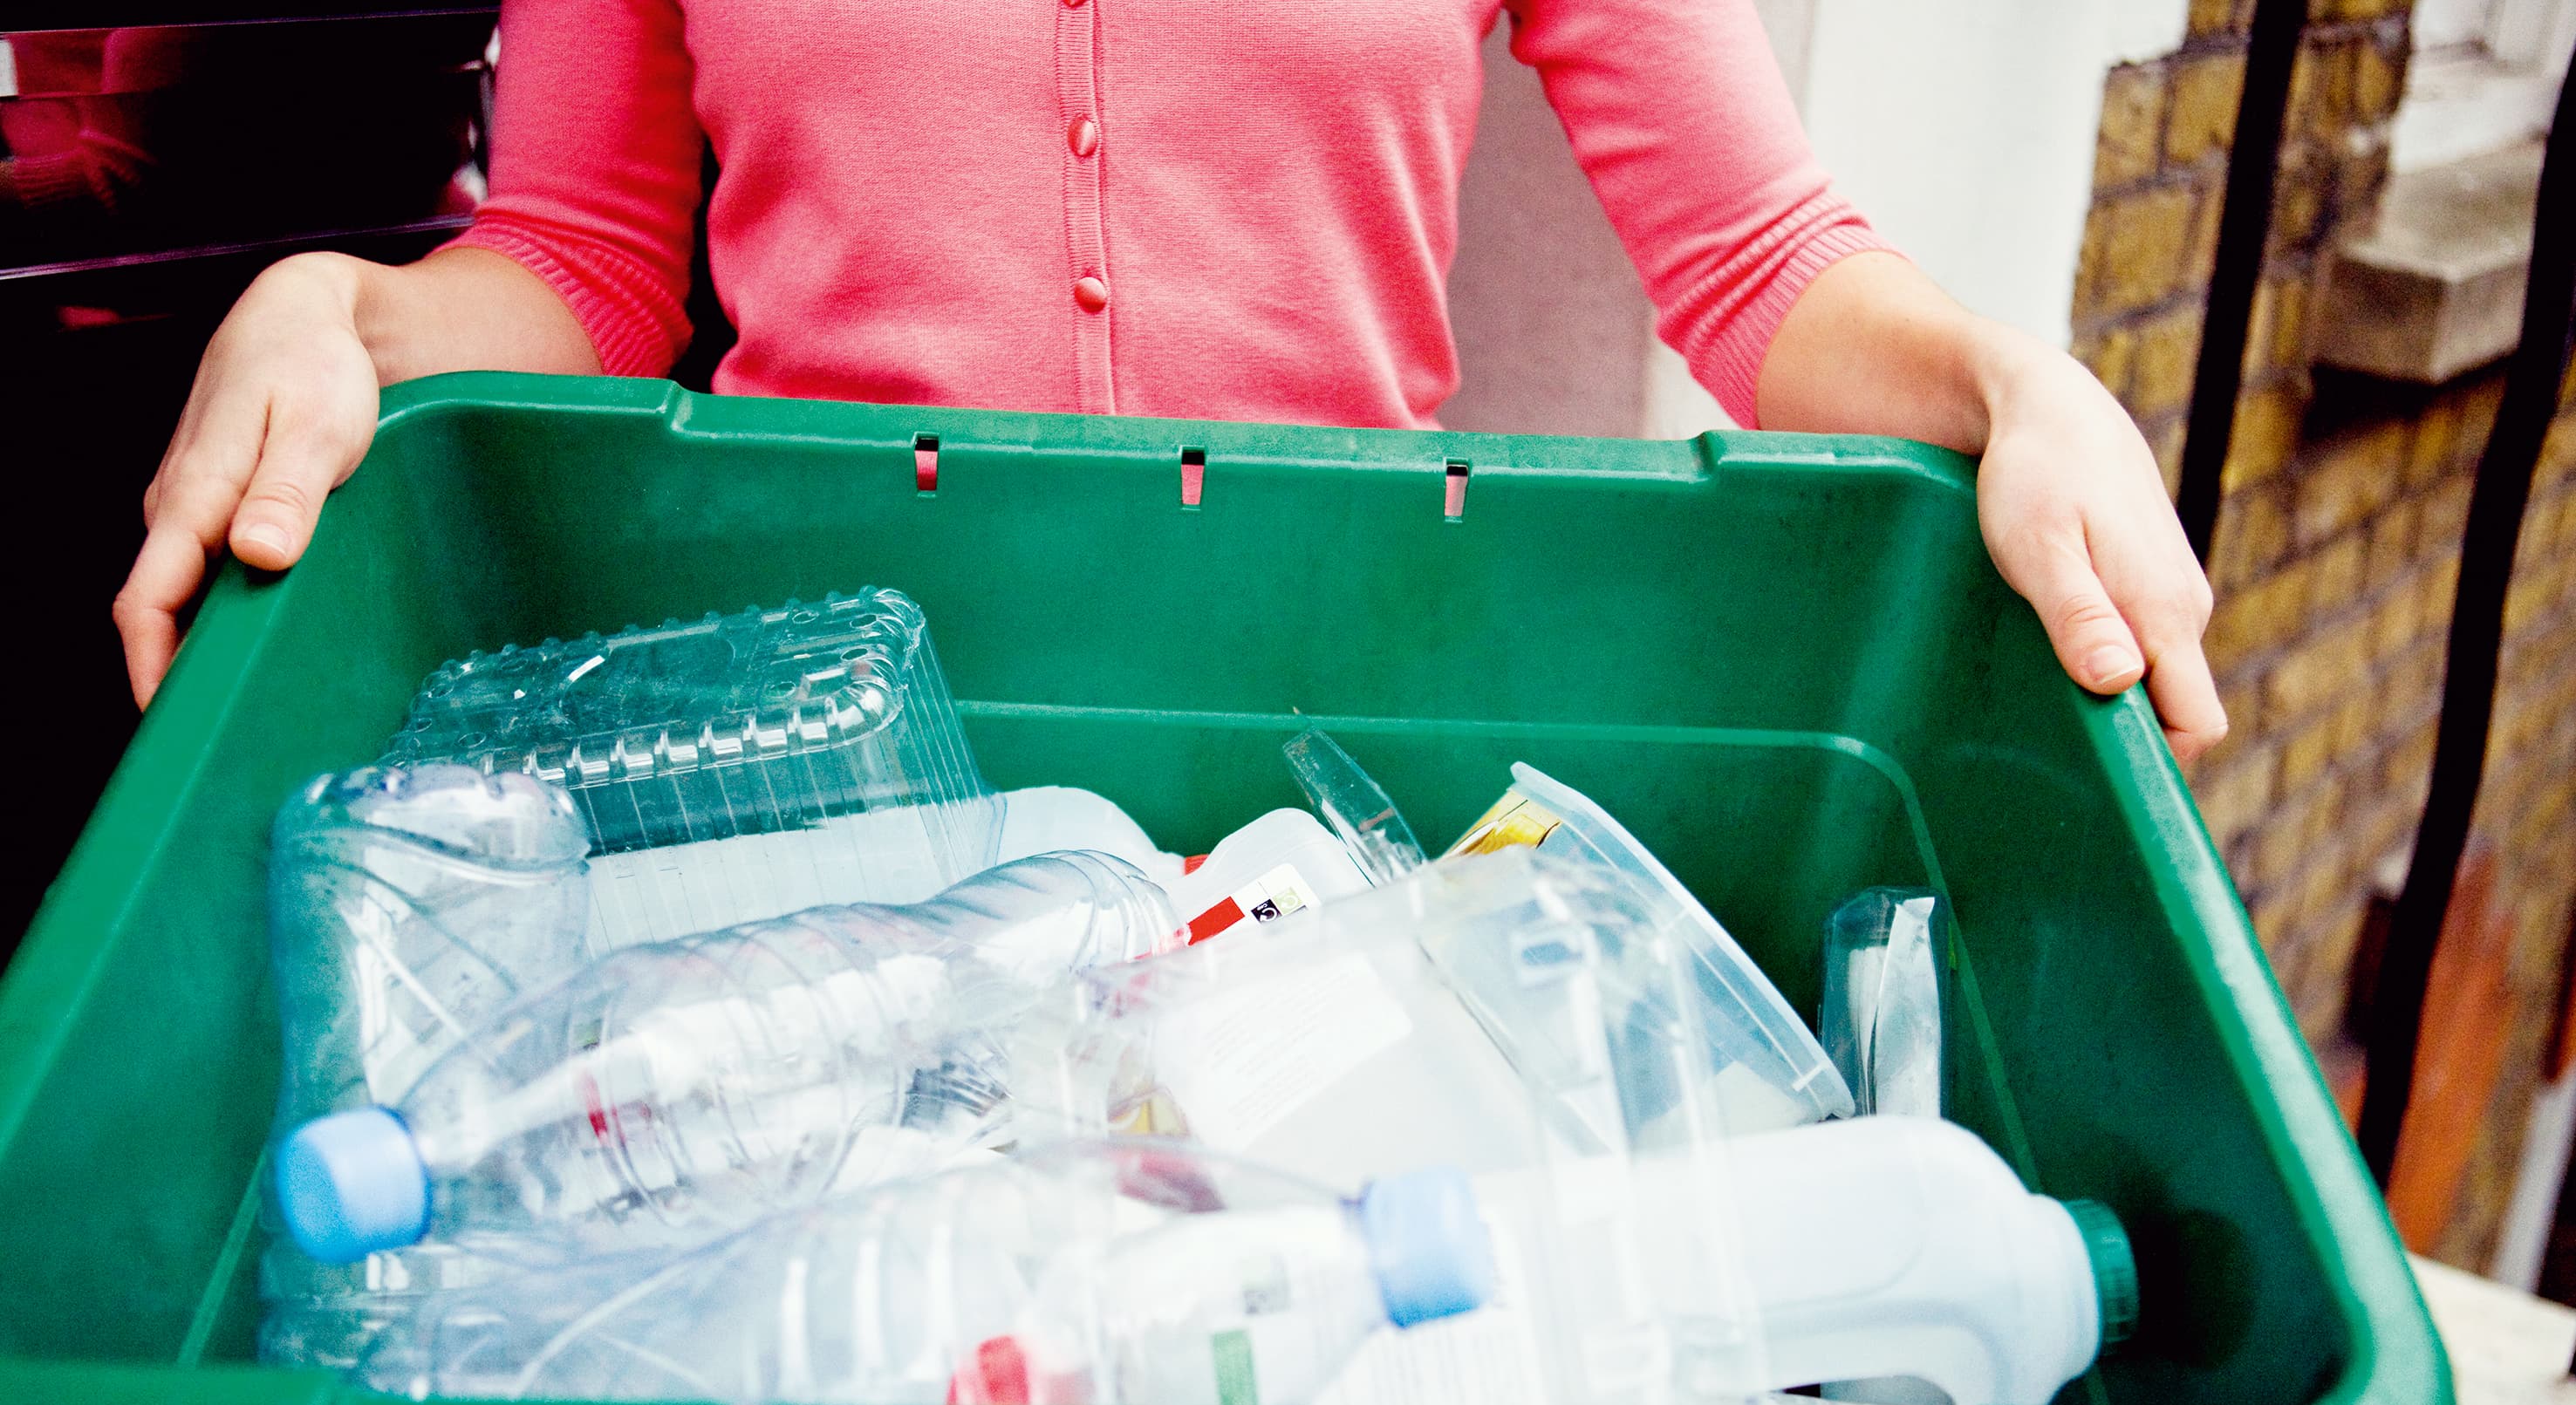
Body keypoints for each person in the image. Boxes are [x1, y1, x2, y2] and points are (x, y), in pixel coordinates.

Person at [114, 0, 2224, 764]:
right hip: (822, 726)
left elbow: (1759, 267)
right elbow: (578, 261)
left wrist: (2005, 383)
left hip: (1309, 713)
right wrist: (346, 315)